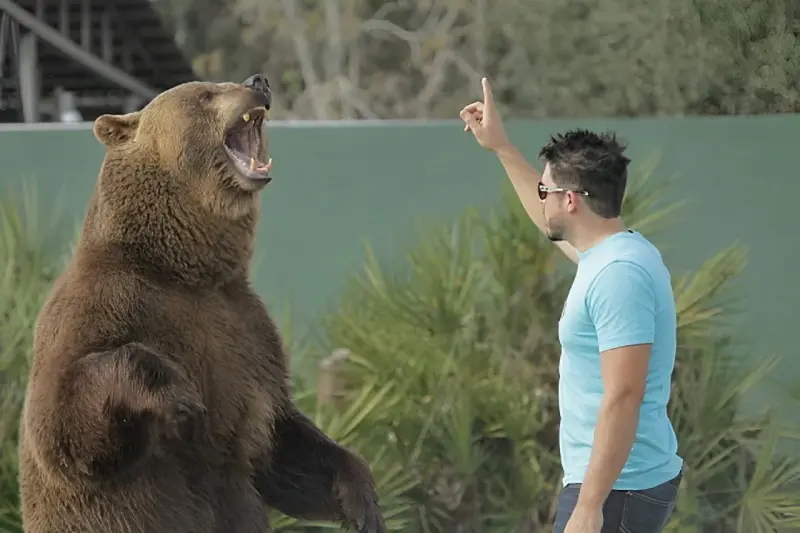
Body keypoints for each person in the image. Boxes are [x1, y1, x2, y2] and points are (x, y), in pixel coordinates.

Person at [459, 78, 683, 533]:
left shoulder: (619, 275)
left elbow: (624, 395)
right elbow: (543, 217)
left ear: (572, 201)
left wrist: (589, 505)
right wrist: (502, 148)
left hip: (618, 488)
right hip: (616, 482)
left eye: (547, 193)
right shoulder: (611, 256)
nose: (542, 201)